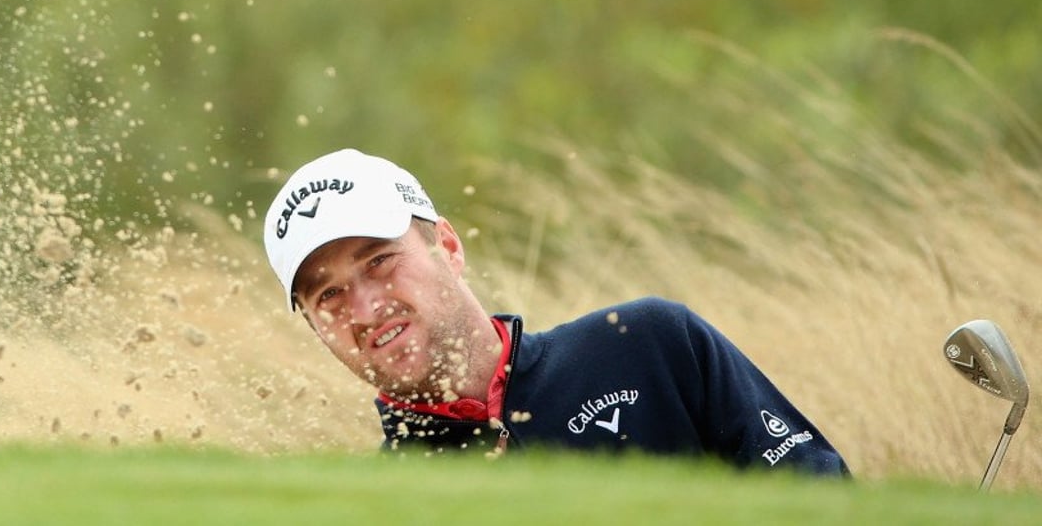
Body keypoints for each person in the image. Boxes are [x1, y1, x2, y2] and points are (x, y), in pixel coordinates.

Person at [263, 148, 850, 476]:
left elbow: (819, 499)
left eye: (379, 262)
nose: (364, 307)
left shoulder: (647, 346)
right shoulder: (383, 502)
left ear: (448, 246)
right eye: (327, 296)